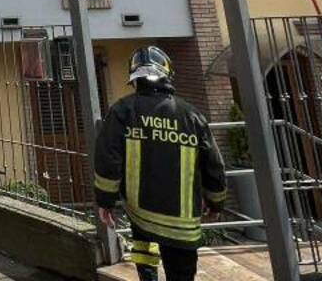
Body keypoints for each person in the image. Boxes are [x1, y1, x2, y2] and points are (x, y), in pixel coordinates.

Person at [94, 46, 227, 281]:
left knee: (144, 254)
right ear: (167, 75)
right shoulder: (191, 116)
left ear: (135, 79)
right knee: (182, 274)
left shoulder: (123, 110)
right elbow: (213, 165)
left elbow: (108, 158)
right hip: (182, 220)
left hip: (140, 211)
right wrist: (216, 202)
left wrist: (106, 201)